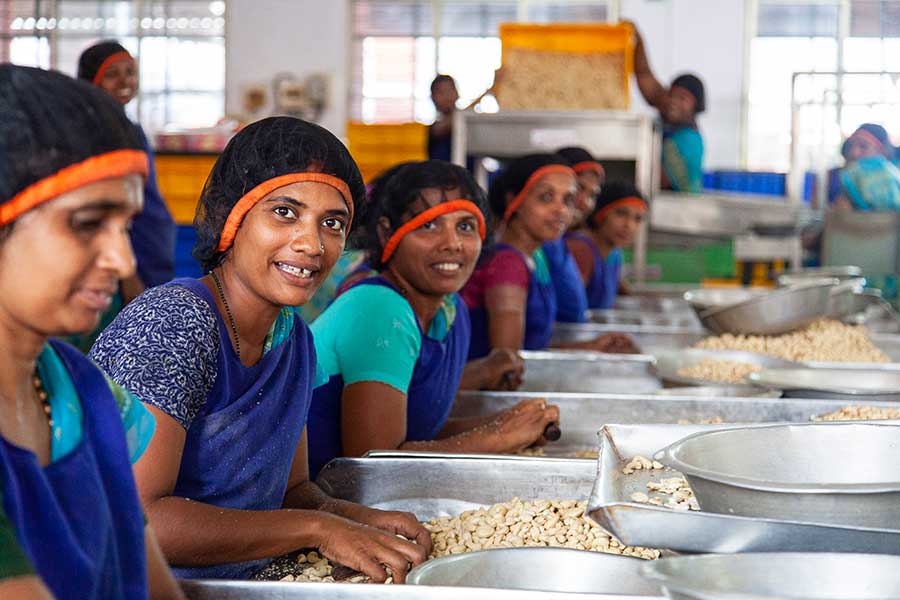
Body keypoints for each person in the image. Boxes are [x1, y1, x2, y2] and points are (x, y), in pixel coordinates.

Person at [90, 116, 431, 582]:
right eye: (285, 213)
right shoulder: (173, 323)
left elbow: (290, 491)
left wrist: (349, 517)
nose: (311, 243)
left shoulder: (293, 341)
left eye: (332, 223)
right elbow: (140, 520)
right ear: (233, 218)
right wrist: (319, 528)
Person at [0, 64, 183, 599]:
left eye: (125, 225)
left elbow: (151, 583)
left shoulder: (87, 389)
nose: (122, 259)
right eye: (86, 224)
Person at [306, 160, 557, 477]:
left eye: (465, 227)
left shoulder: (451, 311)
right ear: (387, 232)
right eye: (428, 225)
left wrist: (508, 424)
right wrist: (498, 436)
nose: (452, 244)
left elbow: (420, 432)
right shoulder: (379, 307)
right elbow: (374, 461)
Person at [461, 154, 637, 359]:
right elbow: (505, 366)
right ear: (513, 199)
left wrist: (590, 346)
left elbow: (530, 347)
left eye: (568, 200)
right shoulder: (507, 265)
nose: (561, 210)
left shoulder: (534, 258)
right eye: (546, 198)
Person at [631, 24, 705, 194]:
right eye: (672, 95)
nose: (673, 102)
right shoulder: (670, 116)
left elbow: (660, 181)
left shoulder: (689, 140)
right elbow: (644, 74)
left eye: (682, 98)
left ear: (696, 105)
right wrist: (638, 40)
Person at [542, 147, 607, 322]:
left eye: (592, 195)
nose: (584, 203)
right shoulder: (542, 245)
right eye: (578, 189)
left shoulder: (560, 243)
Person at [567, 181, 648, 310]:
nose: (629, 226)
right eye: (621, 214)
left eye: (637, 219)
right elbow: (571, 310)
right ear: (601, 214)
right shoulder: (581, 249)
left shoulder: (614, 252)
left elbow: (619, 287)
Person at [834, 123, 900, 211]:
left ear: (881, 151)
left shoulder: (890, 179)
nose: (854, 153)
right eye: (851, 146)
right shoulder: (844, 177)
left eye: (863, 147)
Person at [428, 75, 460, 161]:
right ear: (432, 98)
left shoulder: (467, 121)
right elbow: (442, 128)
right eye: (441, 92)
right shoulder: (434, 128)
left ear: (457, 94)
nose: (447, 96)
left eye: (450, 90)